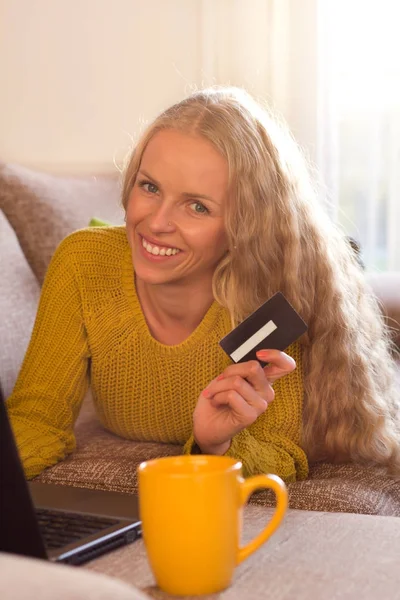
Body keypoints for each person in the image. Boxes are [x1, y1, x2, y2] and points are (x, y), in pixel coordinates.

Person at [6, 87, 400, 484]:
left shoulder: (265, 297)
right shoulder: (83, 262)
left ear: (242, 227)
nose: (157, 222)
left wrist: (217, 446)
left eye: (197, 206)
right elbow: (36, 418)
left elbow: (280, 455)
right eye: (150, 187)